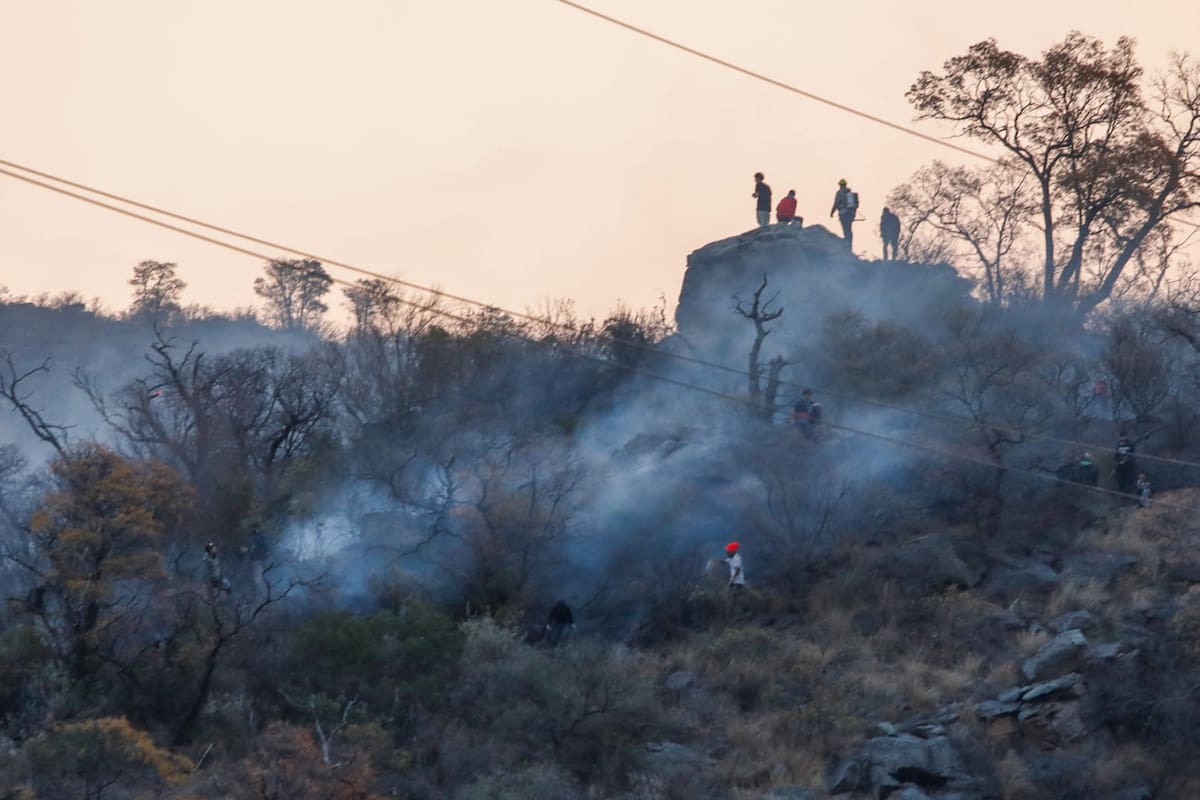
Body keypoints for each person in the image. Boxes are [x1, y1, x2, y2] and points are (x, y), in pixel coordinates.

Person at [830, 179, 858, 249]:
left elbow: (836, 203)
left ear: (840, 185)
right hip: (851, 213)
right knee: (849, 228)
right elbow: (855, 204)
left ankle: (847, 243)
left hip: (843, 213)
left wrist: (832, 212)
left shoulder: (839, 193)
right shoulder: (850, 193)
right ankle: (850, 242)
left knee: (845, 228)